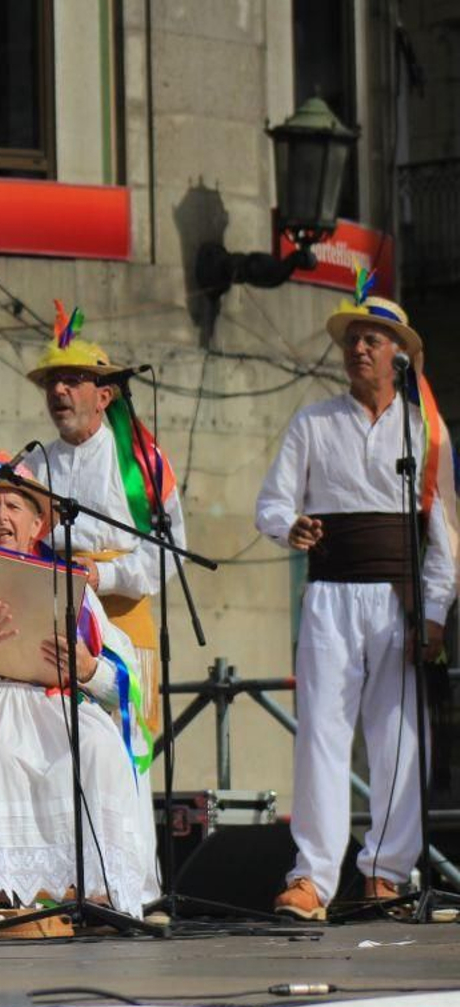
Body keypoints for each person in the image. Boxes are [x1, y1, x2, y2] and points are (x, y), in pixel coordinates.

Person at [256, 284, 457, 921]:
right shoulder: (313, 422)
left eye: (371, 338)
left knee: (400, 736)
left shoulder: (424, 431)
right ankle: (313, 878)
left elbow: (443, 528)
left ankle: (387, 874)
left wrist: (434, 610)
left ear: (400, 353)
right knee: (320, 732)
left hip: (397, 597)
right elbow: (271, 503)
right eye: (351, 340)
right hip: (331, 596)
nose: (358, 348)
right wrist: (291, 527)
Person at [0, 452, 148, 927]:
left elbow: (126, 681)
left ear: (38, 522)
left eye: (14, 506)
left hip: (57, 703)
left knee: (98, 746)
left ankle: (94, 893)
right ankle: (2, 896)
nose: (0, 516)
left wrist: (85, 668)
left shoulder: (68, 582)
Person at [26, 302, 180, 908]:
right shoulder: (33, 463)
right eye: (52, 383)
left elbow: (170, 557)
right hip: (57, 624)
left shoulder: (142, 461)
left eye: (73, 381)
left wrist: (103, 570)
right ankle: (72, 883)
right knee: (63, 750)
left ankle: (131, 887)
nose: (60, 392)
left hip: (120, 621)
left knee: (125, 752)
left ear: (106, 394)